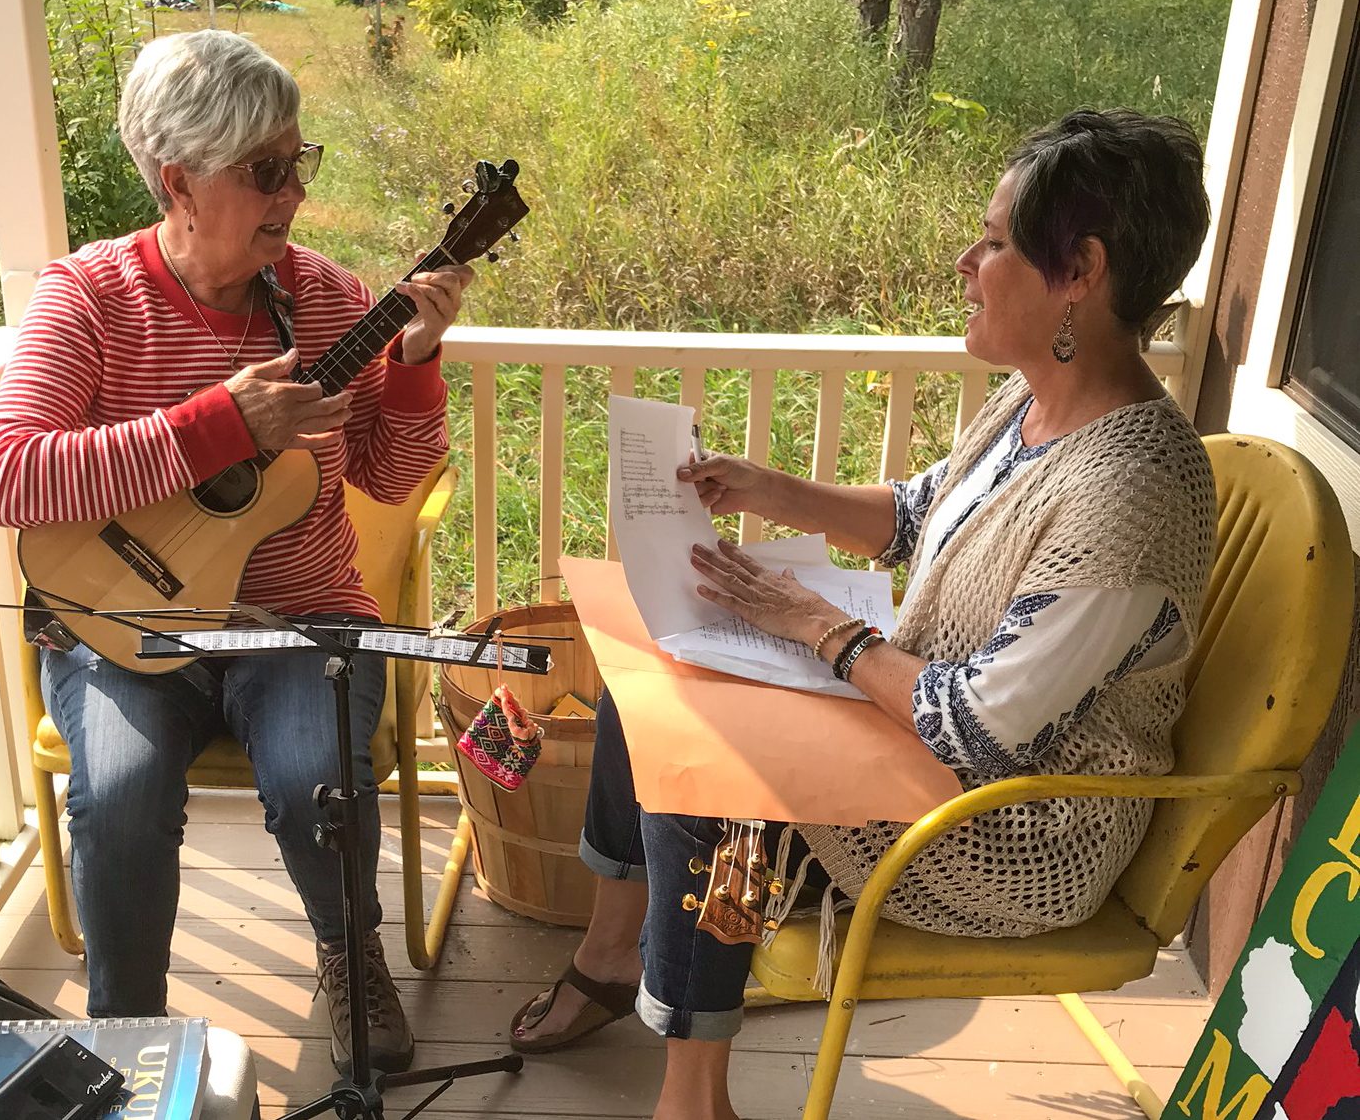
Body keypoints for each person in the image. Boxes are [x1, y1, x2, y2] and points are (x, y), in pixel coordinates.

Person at [509, 108, 1217, 1120]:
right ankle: (611, 952)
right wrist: (769, 488)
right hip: (917, 738)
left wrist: (819, 629)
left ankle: (691, 1095)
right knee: (651, 683)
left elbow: (979, 725)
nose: (965, 261)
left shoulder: (1132, 488)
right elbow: (919, 512)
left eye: (994, 241)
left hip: (1007, 826)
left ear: (1078, 272)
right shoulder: (1035, 400)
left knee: (703, 761)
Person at [0, 30, 474, 1076]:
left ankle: (349, 954)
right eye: (263, 171)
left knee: (315, 774)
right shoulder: (90, 296)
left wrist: (417, 363)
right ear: (178, 182)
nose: (290, 193)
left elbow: (388, 472)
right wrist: (215, 429)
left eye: (296, 162)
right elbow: (9, 475)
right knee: (116, 792)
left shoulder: (333, 302)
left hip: (294, 626)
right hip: (122, 623)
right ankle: (123, 1030)